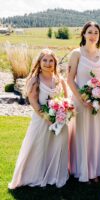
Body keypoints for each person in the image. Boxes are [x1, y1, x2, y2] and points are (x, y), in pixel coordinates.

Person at [8, 49, 69, 189]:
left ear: (55, 63)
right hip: (41, 122)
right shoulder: (34, 81)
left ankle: (55, 174)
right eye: (45, 60)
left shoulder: (60, 80)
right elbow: (35, 105)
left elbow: (66, 101)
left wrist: (62, 117)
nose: (48, 63)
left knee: (58, 147)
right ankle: (34, 175)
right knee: (39, 148)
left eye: (51, 60)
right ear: (39, 63)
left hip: (60, 121)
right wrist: (50, 122)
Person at [67, 21, 100, 183]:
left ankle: (98, 169)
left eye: (96, 33)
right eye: (90, 32)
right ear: (84, 34)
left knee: (98, 133)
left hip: (99, 102)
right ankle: (83, 169)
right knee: (83, 133)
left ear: (99, 36)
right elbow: (70, 80)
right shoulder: (76, 54)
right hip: (81, 101)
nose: (93, 35)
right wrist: (82, 99)